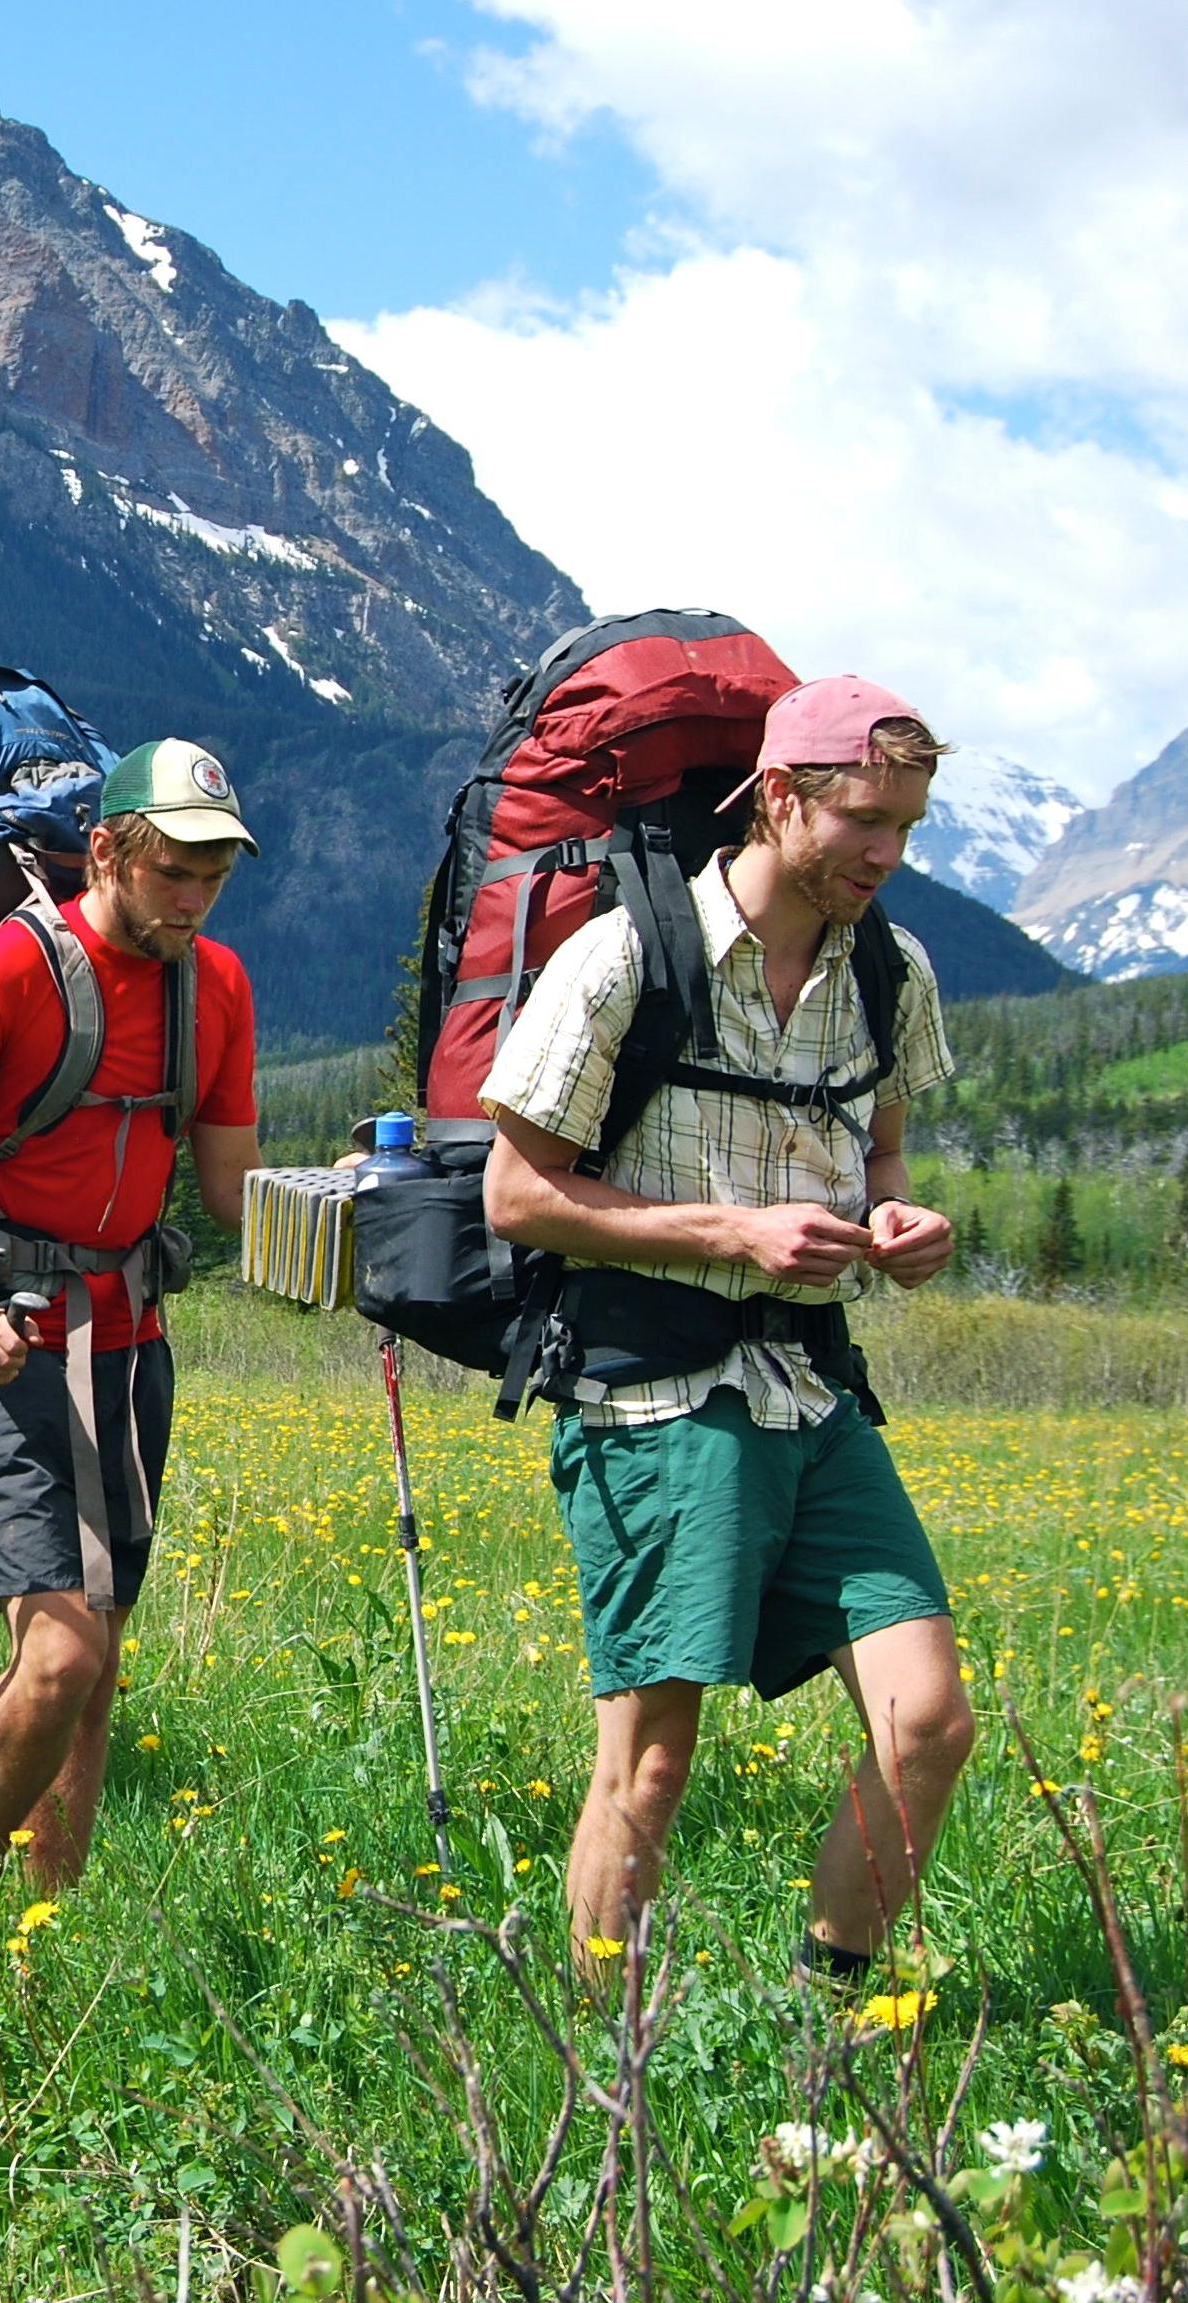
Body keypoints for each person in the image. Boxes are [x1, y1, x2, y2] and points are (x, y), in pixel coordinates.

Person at [480, 678, 972, 1978]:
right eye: (865, 819)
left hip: (811, 1386)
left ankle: (826, 2014)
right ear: (780, 796)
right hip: (652, 1389)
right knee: (647, 1764)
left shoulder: (890, 971)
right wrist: (731, 1230)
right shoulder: (629, 959)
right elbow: (516, 1192)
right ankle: (594, 2069)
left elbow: (889, 1155)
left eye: (907, 828)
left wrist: (904, 1225)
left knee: (927, 1723)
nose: (886, 854)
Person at [0, 739, 260, 1890]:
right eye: (172, 873)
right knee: (62, 1658)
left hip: (131, 1347)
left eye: (213, 878)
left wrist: (364, 1231)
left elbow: (235, 1189)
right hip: (3, 1341)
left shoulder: (218, 988)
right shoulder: (5, 969)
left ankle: (51, 1915)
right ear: (106, 851)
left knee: (93, 1666)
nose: (192, 901)